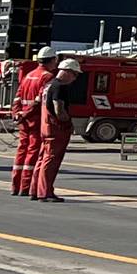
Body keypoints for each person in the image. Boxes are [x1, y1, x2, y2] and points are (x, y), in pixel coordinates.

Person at [30, 56, 84, 201]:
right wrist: (68, 123)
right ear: (67, 71)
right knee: (51, 161)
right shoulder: (60, 87)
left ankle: (35, 190)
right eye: (75, 74)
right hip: (56, 129)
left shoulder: (49, 85)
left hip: (45, 127)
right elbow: (58, 109)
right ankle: (45, 192)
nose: (75, 78)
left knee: (42, 159)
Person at [8, 48, 55, 197]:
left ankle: (15, 186)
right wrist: (25, 114)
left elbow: (17, 98)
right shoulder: (47, 77)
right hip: (35, 120)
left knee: (21, 151)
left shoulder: (28, 75)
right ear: (51, 60)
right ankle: (26, 187)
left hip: (23, 121)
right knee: (33, 152)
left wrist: (17, 114)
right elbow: (39, 100)